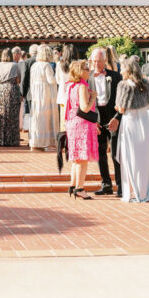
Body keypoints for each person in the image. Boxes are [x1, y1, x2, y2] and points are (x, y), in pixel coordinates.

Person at [111, 57, 149, 203]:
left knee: (131, 157)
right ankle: (145, 190)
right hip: (144, 122)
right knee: (144, 158)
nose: (120, 70)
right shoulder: (146, 84)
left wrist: (117, 108)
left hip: (130, 122)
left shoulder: (124, 85)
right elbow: (148, 104)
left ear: (128, 70)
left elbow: (122, 108)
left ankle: (132, 190)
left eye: (122, 68)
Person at [88, 48, 122, 195]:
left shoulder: (115, 76)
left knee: (116, 152)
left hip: (112, 115)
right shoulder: (88, 78)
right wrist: (92, 120)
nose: (96, 64)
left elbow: (122, 99)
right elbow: (85, 102)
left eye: (99, 61)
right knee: (100, 152)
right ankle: (106, 184)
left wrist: (118, 118)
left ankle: (121, 185)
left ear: (105, 61)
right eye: (94, 61)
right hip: (97, 116)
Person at [63, 59, 98, 200]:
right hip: (82, 124)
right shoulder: (82, 86)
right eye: (86, 69)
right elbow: (84, 107)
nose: (88, 71)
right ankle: (80, 187)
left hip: (72, 123)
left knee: (76, 158)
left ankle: (73, 185)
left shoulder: (71, 86)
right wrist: (93, 98)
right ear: (80, 71)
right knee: (82, 159)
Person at [0, 49, 22, 146]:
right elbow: (18, 79)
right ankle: (10, 139)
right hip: (11, 89)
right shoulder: (14, 65)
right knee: (11, 114)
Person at [28, 44, 59, 151]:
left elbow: (31, 81)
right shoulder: (46, 65)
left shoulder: (34, 65)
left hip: (36, 94)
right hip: (45, 93)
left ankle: (35, 142)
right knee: (45, 118)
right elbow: (51, 80)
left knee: (37, 117)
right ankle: (46, 142)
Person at [55, 44, 77, 129]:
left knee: (64, 121)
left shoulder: (59, 64)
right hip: (76, 94)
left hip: (63, 95)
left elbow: (58, 80)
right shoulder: (78, 64)